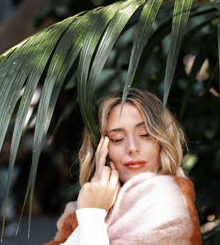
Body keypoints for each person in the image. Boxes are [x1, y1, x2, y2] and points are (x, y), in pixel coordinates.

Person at [45, 88, 201, 245]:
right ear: (99, 150)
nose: (132, 147)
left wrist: (91, 217)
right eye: (117, 138)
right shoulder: (81, 212)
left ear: (162, 143)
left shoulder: (170, 206)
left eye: (145, 134)